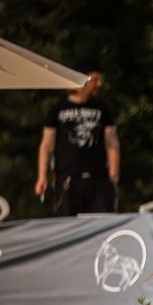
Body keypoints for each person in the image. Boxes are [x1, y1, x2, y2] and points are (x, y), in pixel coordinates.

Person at [34, 59, 120, 215]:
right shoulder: (58, 109)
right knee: (67, 225)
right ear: (82, 81)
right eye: (94, 80)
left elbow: (112, 142)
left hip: (98, 178)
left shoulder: (102, 108)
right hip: (68, 178)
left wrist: (113, 175)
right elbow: (46, 145)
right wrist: (42, 177)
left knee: (102, 224)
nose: (98, 84)